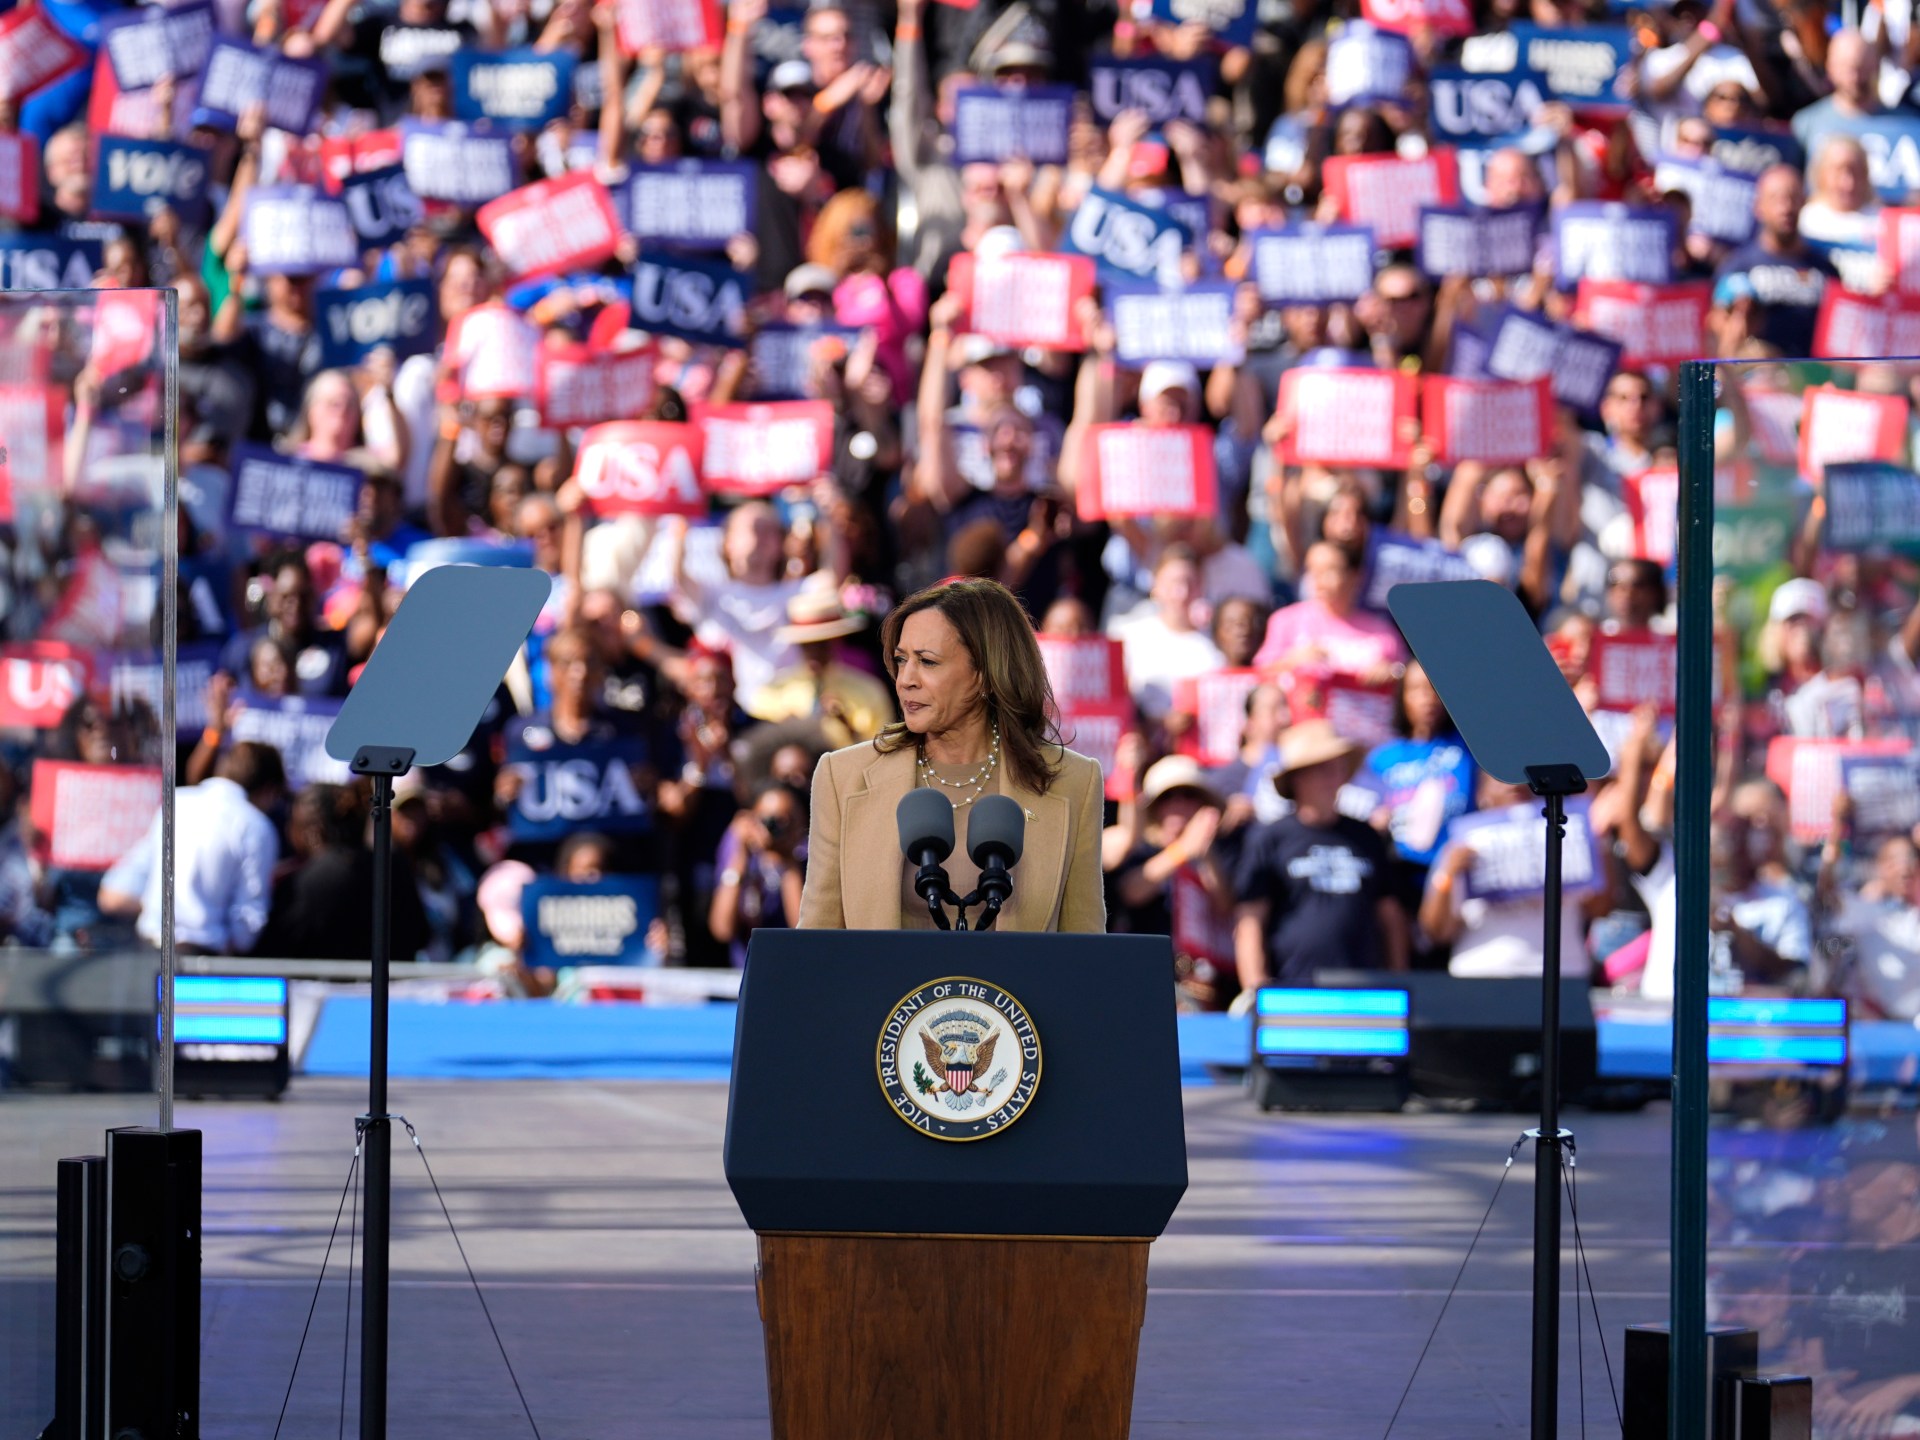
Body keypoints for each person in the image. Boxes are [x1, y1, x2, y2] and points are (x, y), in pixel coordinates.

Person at [798, 577, 1106, 932]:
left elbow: (1085, 952)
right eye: (901, 660)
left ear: (985, 674)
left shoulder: (1073, 781)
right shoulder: (842, 776)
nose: (905, 680)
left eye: (927, 662)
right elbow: (816, 945)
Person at [1233, 720, 1408, 990]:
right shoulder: (1271, 838)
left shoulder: (1367, 837)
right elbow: (1250, 921)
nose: (1334, 775)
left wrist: (1399, 980)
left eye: (1338, 766)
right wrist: (1255, 990)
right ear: (1298, 778)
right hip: (1292, 990)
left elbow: (1390, 915)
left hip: (1365, 992)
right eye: (1323, 768)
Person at [99, 742, 287, 956]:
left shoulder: (176, 802)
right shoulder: (257, 827)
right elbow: (247, 923)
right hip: (203, 964)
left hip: (149, 952)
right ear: (270, 791)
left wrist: (159, 907)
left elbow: (115, 891)